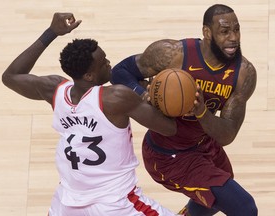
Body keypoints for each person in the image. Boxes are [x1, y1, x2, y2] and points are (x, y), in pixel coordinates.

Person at [1, 12, 183, 216]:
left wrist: (51, 33)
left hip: (67, 204)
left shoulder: (55, 90)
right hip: (114, 203)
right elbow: (170, 129)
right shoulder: (116, 97)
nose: (108, 62)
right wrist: (151, 96)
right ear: (88, 75)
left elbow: (11, 76)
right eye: (103, 61)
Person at [111, 4, 258, 216]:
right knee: (244, 207)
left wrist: (201, 111)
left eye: (237, 29)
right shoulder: (173, 54)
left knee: (217, 197)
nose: (233, 38)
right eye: (225, 32)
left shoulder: (244, 74)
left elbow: (227, 134)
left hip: (205, 145)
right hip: (169, 155)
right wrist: (144, 95)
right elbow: (120, 72)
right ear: (207, 33)